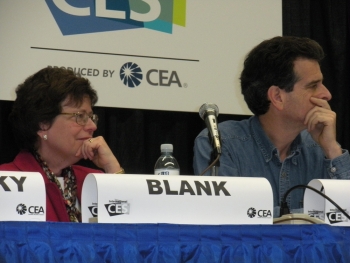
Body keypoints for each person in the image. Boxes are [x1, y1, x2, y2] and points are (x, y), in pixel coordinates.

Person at [193, 36, 350, 217]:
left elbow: (345, 215)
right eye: (313, 86)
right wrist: (317, 215)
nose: (327, 94)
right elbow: (226, 215)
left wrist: (332, 149)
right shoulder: (220, 144)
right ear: (277, 97)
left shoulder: (320, 148)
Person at [0, 67, 124, 222]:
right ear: (43, 123)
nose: (93, 126)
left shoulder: (93, 180)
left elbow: (129, 238)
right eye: (80, 116)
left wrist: (112, 169)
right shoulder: (6, 180)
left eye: (91, 117)